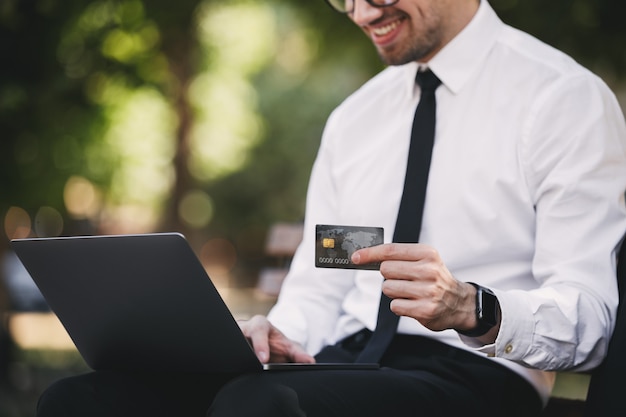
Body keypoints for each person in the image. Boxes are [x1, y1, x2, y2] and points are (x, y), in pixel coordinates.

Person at [37, 0, 626, 416]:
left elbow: (591, 319)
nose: (363, 14)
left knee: (260, 405)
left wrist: (474, 307)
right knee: (80, 400)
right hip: (343, 363)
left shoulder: (561, 100)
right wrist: (275, 335)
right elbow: (321, 285)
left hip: (479, 375)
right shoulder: (354, 121)